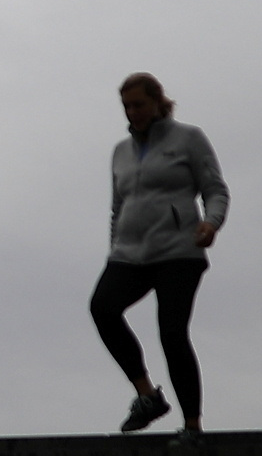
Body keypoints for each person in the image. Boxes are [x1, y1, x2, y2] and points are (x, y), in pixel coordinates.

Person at [93, 73, 226, 437]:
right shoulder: (121, 152)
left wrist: (211, 223)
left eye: (139, 104)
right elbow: (118, 207)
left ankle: (192, 424)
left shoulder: (188, 139)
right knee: (102, 308)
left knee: (172, 332)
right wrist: (114, 246)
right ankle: (147, 395)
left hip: (179, 250)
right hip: (130, 253)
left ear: (157, 102)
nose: (133, 112)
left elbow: (215, 189)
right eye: (127, 107)